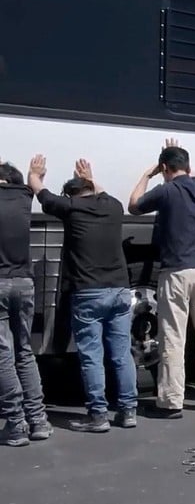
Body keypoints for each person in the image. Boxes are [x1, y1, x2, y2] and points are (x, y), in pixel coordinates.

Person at [30, 156, 136, 431]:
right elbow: (101, 193)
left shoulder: (71, 208)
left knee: (91, 355)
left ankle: (98, 416)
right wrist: (91, 177)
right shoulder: (114, 207)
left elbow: (40, 192)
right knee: (122, 354)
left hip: (89, 293)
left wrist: (35, 174)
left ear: (71, 195)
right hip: (121, 291)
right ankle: (128, 411)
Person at [128, 139, 195, 418]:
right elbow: (189, 174)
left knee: (173, 336)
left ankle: (172, 401)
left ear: (164, 169)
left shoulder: (166, 191)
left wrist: (148, 175)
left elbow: (134, 204)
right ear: (188, 166)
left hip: (178, 271)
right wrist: (178, 155)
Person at [0, 159, 51, 446]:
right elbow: (30, 184)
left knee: (3, 355)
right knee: (24, 351)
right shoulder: (23, 197)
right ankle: (38, 420)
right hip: (24, 282)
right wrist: (35, 175)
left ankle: (16, 424)